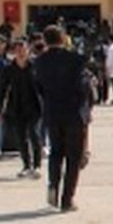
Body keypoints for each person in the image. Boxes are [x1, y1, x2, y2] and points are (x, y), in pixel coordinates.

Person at [33, 26, 89, 210]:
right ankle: (67, 198)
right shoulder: (75, 59)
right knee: (74, 157)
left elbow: (38, 88)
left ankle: (53, 185)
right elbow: (83, 87)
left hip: (52, 112)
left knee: (56, 152)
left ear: (45, 40)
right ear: (64, 38)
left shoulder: (39, 62)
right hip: (74, 112)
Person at [0, 39, 43, 178]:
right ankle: (26, 165)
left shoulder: (36, 67)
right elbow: (1, 89)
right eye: (18, 50)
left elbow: (44, 86)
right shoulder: (9, 69)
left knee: (34, 134)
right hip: (16, 107)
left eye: (23, 50)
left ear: (28, 50)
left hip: (34, 106)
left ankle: (37, 165)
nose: (21, 53)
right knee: (21, 137)